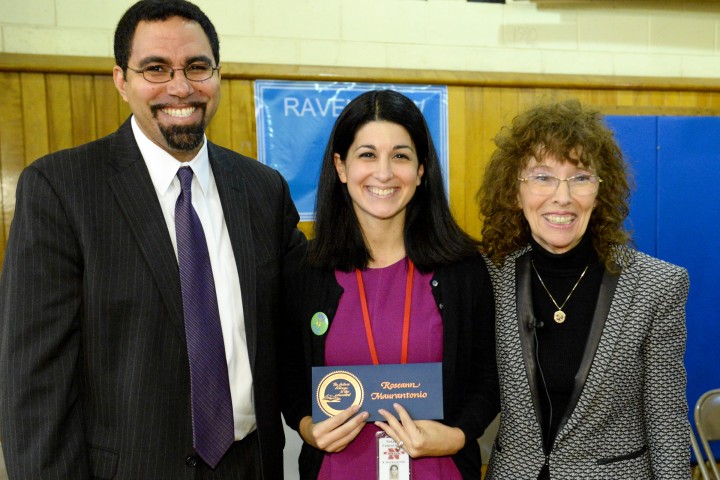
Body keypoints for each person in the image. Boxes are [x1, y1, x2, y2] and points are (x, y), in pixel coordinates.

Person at [0, 1, 304, 478]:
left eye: (197, 67)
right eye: (156, 69)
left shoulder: (263, 191)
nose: (180, 87)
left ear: (218, 75)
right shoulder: (62, 189)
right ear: (122, 80)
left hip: (250, 465)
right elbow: (33, 384)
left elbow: (297, 321)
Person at [280, 89, 500, 479]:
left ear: (420, 170)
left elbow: (490, 374)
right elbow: (287, 373)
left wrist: (459, 434)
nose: (383, 172)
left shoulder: (464, 269)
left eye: (400, 155)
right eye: (367, 154)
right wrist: (306, 427)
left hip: (440, 471)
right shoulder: (304, 270)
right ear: (341, 167)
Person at [477, 99, 690, 479]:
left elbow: (666, 418)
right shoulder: (487, 278)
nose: (563, 196)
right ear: (514, 191)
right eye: (542, 177)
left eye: (580, 177)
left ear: (600, 190)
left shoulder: (658, 285)